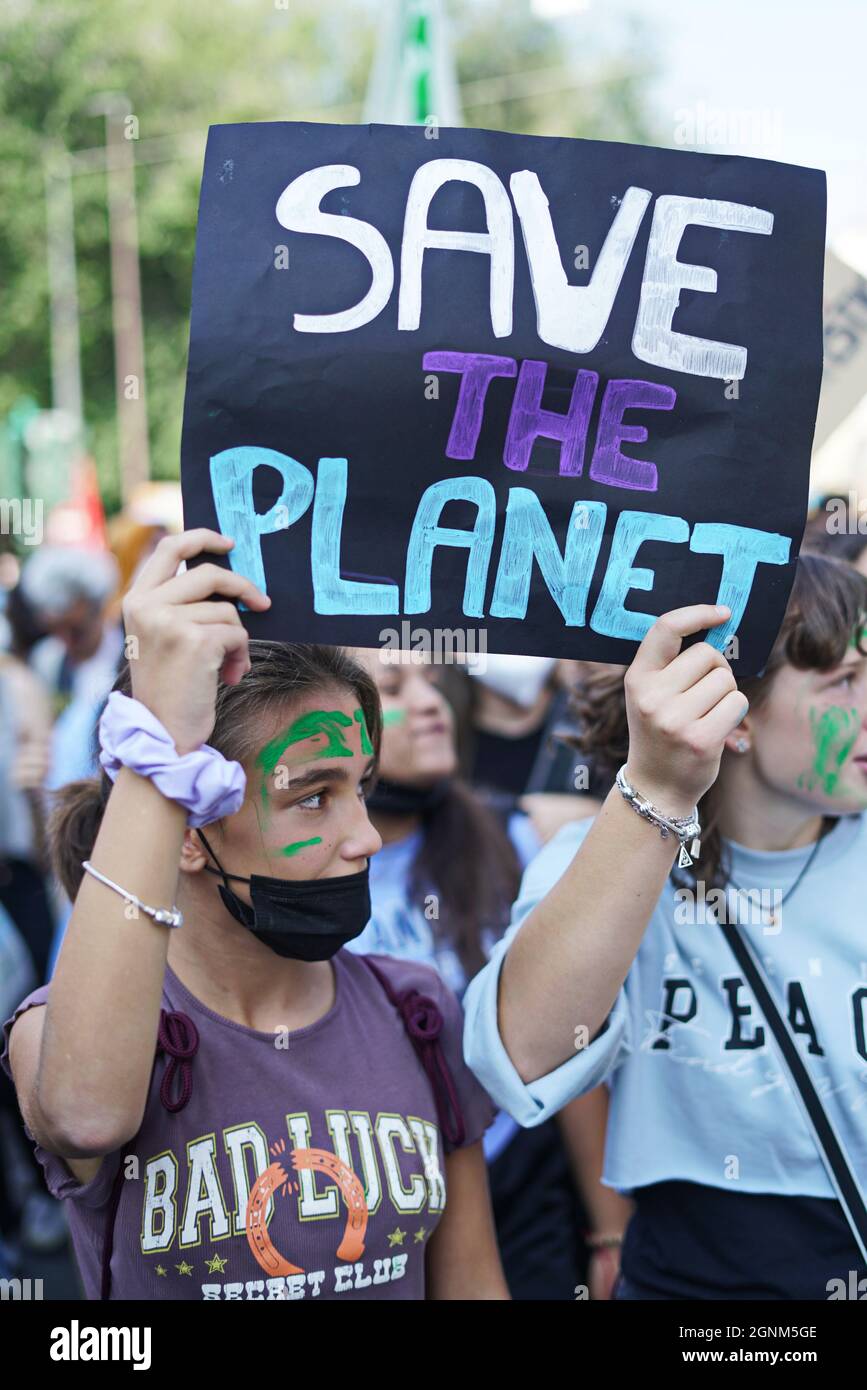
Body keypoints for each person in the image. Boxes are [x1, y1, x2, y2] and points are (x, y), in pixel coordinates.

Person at [1, 530, 507, 1301]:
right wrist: (160, 746)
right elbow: (87, 1119)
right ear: (192, 837)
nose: (365, 837)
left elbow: (472, 1288)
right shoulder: (69, 1033)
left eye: (361, 787)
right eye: (313, 797)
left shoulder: (416, 1012)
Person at [463, 553, 867, 1300]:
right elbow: (517, 1059)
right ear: (731, 715)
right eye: (842, 681)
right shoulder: (606, 857)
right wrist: (654, 791)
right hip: (687, 1286)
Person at [346, 652, 630, 1299]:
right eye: (392, 687)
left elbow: (567, 1059)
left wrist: (610, 1231)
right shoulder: (306, 875)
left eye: (431, 683)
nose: (428, 704)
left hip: (518, 1189)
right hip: (366, 1198)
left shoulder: (513, 838)